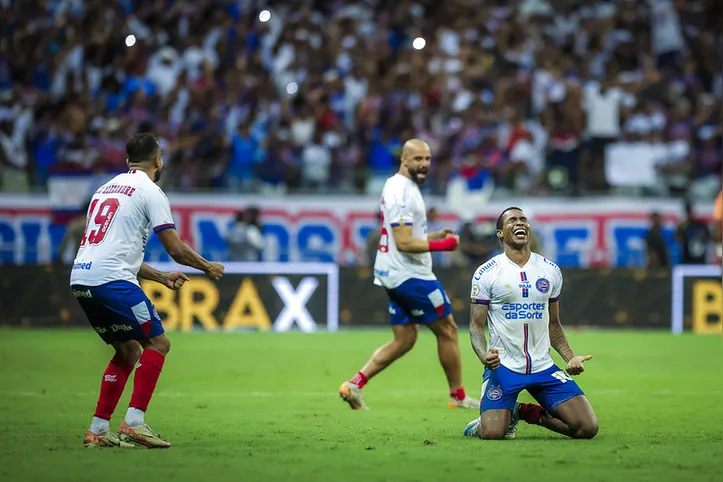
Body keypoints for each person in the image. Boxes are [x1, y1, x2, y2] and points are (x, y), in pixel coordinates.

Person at [70, 133, 225, 448]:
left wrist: (159, 277)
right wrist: (207, 266)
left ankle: (98, 430)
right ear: (158, 160)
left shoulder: (103, 189)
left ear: (128, 161)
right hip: (113, 281)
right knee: (158, 342)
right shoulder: (150, 191)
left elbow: (107, 250)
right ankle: (134, 422)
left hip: (82, 278)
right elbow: (175, 248)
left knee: (128, 351)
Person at [338, 139, 478, 410]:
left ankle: (353, 385)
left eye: (427, 159)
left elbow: (402, 235)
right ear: (404, 159)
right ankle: (458, 397)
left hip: (394, 272)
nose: (424, 164)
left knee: (405, 339)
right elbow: (403, 242)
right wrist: (442, 246)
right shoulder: (401, 190)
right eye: (417, 159)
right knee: (448, 330)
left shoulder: (403, 187)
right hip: (409, 275)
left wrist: (432, 235)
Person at [463, 207, 598, 440]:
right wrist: (484, 356)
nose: (519, 223)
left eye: (523, 219)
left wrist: (570, 357)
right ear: (500, 233)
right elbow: (475, 326)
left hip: (543, 367)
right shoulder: (486, 272)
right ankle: (481, 425)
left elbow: (553, 325)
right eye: (512, 220)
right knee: (493, 433)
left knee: (587, 428)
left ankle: (524, 412)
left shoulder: (550, 270)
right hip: (504, 368)